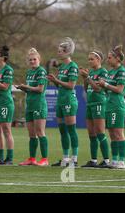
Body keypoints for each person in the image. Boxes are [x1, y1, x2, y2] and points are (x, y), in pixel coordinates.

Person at [47, 37, 79, 167]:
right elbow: (60, 86)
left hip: (69, 101)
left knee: (71, 130)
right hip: (60, 100)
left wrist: (57, 80)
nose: (58, 53)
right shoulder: (62, 67)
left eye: (60, 51)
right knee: (62, 130)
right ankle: (65, 158)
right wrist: (54, 80)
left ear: (67, 52)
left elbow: (71, 85)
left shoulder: (73, 66)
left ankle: (74, 158)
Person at [16, 48, 49, 166]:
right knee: (31, 134)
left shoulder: (41, 71)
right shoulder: (30, 72)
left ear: (39, 59)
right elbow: (30, 90)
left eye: (34, 59)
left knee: (40, 132)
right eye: (30, 60)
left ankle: (45, 159)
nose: (32, 61)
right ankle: (32, 158)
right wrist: (23, 88)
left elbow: (40, 89)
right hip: (29, 105)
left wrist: (26, 87)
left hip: (38, 105)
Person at [79, 50, 110, 168]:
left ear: (99, 60)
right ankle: (93, 160)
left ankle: (106, 160)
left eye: (92, 59)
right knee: (91, 134)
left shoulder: (103, 72)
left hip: (99, 103)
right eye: (88, 59)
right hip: (90, 103)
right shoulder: (91, 72)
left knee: (100, 132)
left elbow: (98, 89)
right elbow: (87, 89)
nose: (89, 61)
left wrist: (88, 78)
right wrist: (85, 78)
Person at [98, 45, 125, 169]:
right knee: (111, 133)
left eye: (110, 58)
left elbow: (120, 90)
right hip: (109, 105)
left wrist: (105, 84)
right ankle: (114, 160)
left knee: (118, 133)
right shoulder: (110, 72)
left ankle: (122, 161)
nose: (108, 60)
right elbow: (106, 89)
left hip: (117, 105)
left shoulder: (121, 71)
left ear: (117, 59)